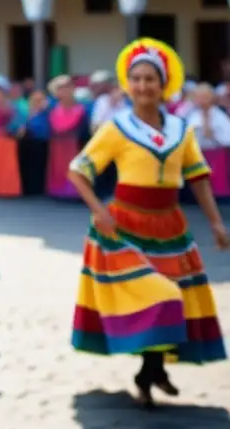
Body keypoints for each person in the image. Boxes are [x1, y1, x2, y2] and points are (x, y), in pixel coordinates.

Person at [67, 39, 227, 408]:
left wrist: (216, 223)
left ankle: (149, 369)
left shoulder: (181, 130)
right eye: (136, 78)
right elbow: (79, 171)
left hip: (169, 225)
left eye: (150, 78)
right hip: (124, 225)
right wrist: (99, 211)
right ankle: (151, 370)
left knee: (171, 300)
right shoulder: (116, 128)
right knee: (158, 295)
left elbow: (198, 177)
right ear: (127, 84)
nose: (142, 86)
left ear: (163, 83)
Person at [45, 75, 87, 200]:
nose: (66, 91)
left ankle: (75, 192)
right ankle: (57, 191)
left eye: (69, 87)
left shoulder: (81, 109)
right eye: (62, 88)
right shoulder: (52, 110)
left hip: (74, 145)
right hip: (58, 145)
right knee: (58, 167)